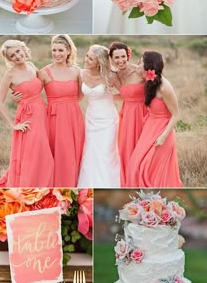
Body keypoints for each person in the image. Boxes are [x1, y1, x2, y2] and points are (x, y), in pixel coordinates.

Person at [0, 40, 54, 188]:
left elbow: (39, 85)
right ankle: (30, 185)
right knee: (33, 153)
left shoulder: (31, 66)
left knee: (43, 152)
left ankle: (44, 183)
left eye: (18, 51)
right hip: (28, 118)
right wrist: (13, 125)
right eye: (12, 55)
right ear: (9, 59)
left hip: (42, 113)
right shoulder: (9, 75)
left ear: (24, 50)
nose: (17, 56)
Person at [127, 50, 183, 187]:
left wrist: (163, 136)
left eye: (140, 62)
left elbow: (176, 115)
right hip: (149, 128)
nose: (137, 65)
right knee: (135, 165)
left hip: (162, 132)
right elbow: (130, 70)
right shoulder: (148, 81)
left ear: (149, 65)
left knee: (151, 170)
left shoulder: (164, 87)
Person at [39, 35, 85, 187]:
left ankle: (73, 181)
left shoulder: (78, 71)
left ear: (68, 51)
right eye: (54, 50)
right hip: (53, 117)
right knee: (58, 151)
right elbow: (33, 94)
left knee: (74, 151)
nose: (57, 53)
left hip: (73, 116)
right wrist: (17, 94)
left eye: (60, 50)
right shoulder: (44, 72)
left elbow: (81, 94)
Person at [78, 45, 120, 187]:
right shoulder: (81, 74)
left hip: (108, 119)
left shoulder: (111, 76)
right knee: (91, 152)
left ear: (99, 62)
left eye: (90, 58)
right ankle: (91, 184)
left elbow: (127, 93)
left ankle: (109, 184)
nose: (86, 60)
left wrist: (110, 98)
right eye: (87, 56)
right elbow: (76, 97)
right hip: (91, 119)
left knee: (106, 152)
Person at [109, 41, 148, 187]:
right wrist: (104, 98)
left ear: (128, 56)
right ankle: (129, 180)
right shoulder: (115, 76)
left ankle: (141, 178)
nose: (120, 61)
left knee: (141, 148)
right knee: (126, 149)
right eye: (116, 58)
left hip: (143, 113)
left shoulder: (139, 71)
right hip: (127, 115)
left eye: (123, 56)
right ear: (111, 59)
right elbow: (125, 95)